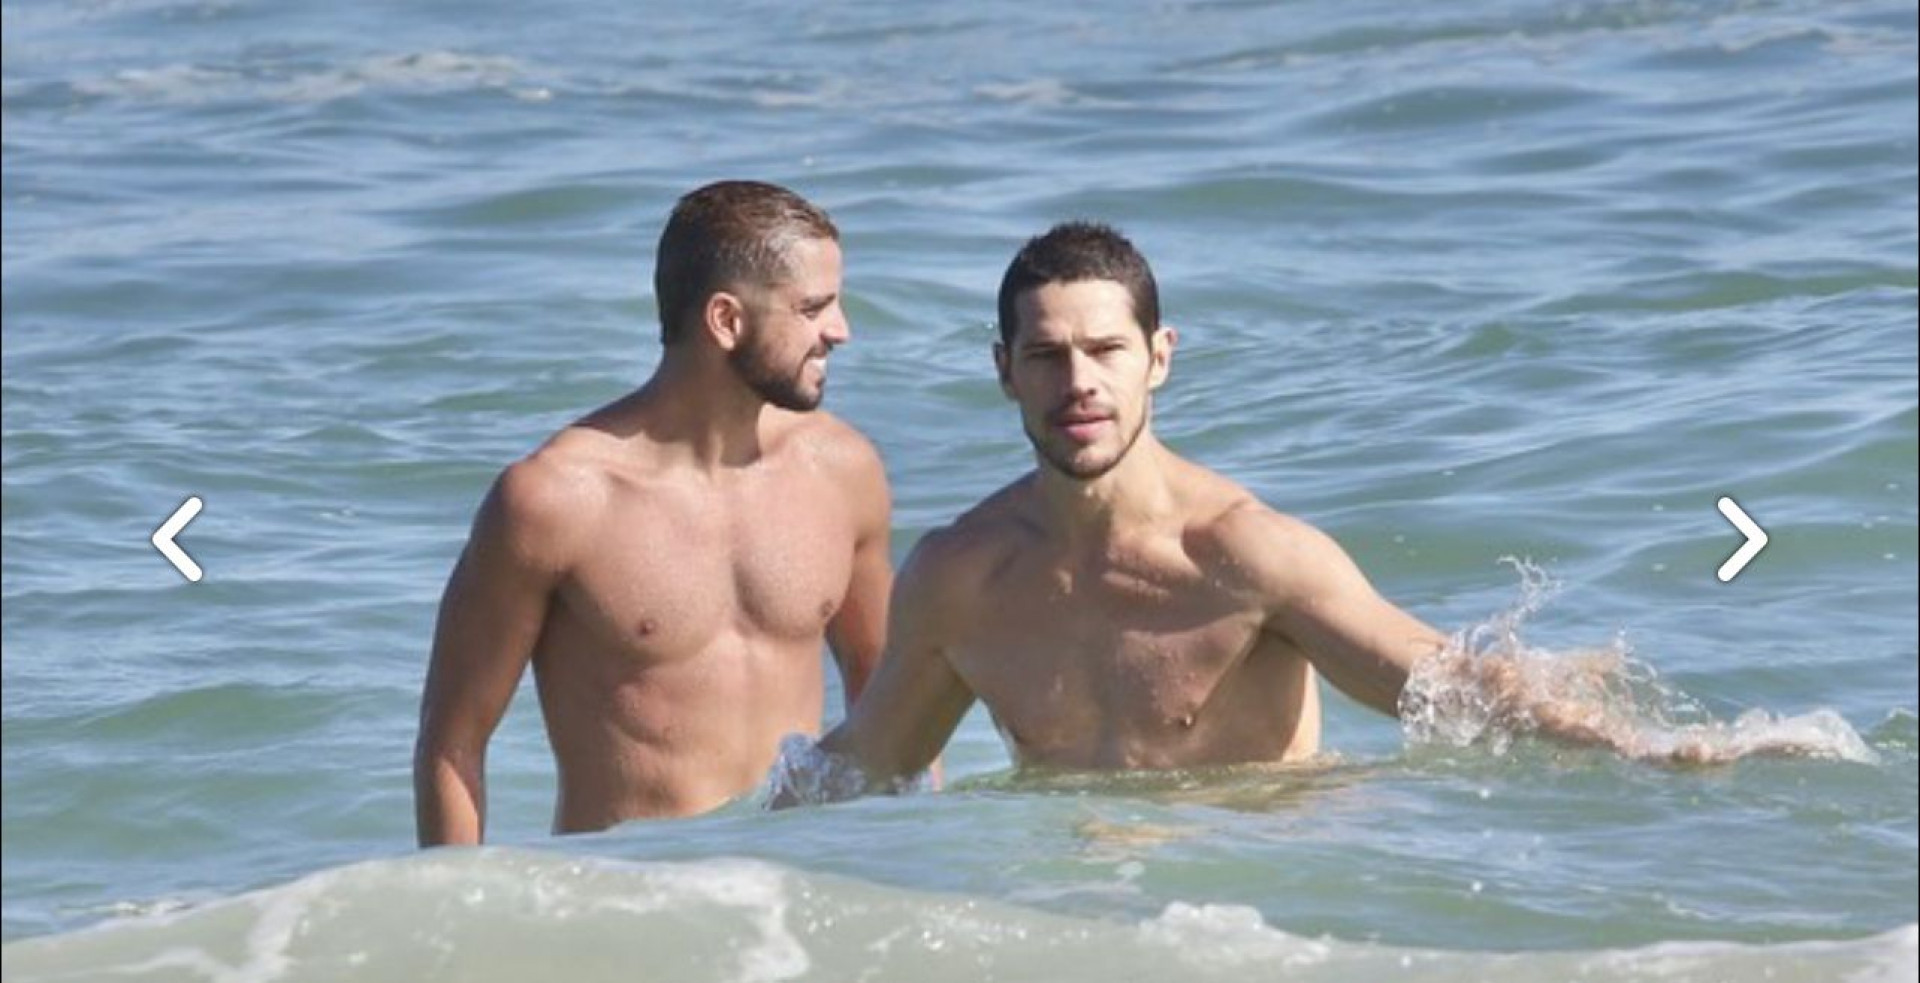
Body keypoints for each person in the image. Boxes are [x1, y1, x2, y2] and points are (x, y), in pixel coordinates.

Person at [779, 221, 1742, 804]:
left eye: (1106, 351)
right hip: (1072, 914)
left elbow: (1453, 688)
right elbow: (865, 767)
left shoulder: (1247, 557)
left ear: (1158, 357)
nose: (1078, 383)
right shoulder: (961, 578)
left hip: (1250, 918)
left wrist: (1646, 749)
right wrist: (720, 866)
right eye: (1046, 356)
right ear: (1005, 371)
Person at [415, 180, 891, 844]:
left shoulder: (843, 471)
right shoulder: (555, 500)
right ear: (726, 320)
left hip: (789, 888)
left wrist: (903, 869)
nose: (840, 330)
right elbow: (452, 743)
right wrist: (462, 904)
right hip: (631, 889)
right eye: (812, 308)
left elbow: (892, 700)